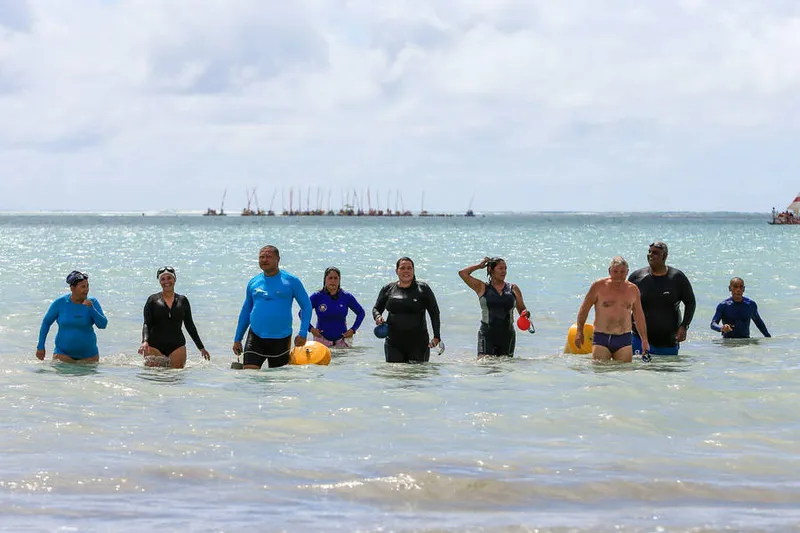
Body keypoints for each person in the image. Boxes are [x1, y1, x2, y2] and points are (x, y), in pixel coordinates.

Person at [232, 245, 312, 369]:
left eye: (268, 257)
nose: (264, 260)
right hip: (256, 336)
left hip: (281, 338)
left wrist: (303, 333)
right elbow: (246, 311)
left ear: (278, 259)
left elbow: (306, 306)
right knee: (250, 377)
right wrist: (238, 339)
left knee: (278, 381)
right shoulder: (253, 282)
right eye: (261, 257)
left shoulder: (291, 281)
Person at [575, 256, 649, 362]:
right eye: (615, 271)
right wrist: (579, 331)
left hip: (624, 338)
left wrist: (644, 340)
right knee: (601, 373)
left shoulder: (633, 290)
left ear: (627, 272)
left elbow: (639, 316)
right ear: (609, 271)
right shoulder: (598, 286)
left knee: (624, 373)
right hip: (601, 337)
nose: (619, 275)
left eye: (622, 272)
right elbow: (584, 309)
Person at [628, 241, 696, 356]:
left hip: (668, 341)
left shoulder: (677, 277)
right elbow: (623, 303)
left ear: (664, 256)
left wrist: (684, 326)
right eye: (649, 252)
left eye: (655, 253)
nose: (650, 255)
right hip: (639, 339)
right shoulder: (637, 277)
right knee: (638, 371)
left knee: (667, 372)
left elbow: (690, 303)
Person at [138, 266, 210, 368]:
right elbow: (146, 324)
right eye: (163, 279)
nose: (166, 281)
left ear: (174, 279)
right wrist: (144, 341)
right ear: (159, 282)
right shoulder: (152, 300)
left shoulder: (183, 300)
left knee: (176, 378)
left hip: (177, 346)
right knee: (154, 379)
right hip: (154, 346)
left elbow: (190, 326)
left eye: (169, 278)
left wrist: (201, 348)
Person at [372, 257, 441, 363]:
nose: (406, 271)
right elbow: (376, 309)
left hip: (419, 343)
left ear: (413, 270)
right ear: (397, 271)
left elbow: (434, 313)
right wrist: (378, 316)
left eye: (409, 268)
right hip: (393, 343)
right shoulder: (388, 289)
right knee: (395, 375)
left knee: (416, 376)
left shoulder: (423, 289)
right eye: (402, 268)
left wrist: (437, 336)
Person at [458, 257, 530, 357]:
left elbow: (522, 309)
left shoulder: (513, 288)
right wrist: (479, 266)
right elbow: (462, 273)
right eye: (500, 268)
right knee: (484, 365)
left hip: (507, 335)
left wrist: (525, 314)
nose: (504, 271)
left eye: (505, 268)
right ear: (490, 270)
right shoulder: (482, 287)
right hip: (487, 335)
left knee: (505, 368)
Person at [36, 270, 108, 363]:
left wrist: (91, 309)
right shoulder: (60, 303)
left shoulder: (92, 302)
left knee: (88, 378)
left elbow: (103, 325)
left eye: (87, 286)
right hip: (63, 355)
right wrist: (41, 346)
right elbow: (46, 323)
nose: (86, 290)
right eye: (83, 287)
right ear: (72, 288)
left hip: (89, 356)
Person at [309, 267, 366, 347]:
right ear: (325, 279)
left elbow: (361, 313)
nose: (333, 281)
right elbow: (302, 312)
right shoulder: (317, 296)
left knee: (343, 360)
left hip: (342, 341)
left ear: (339, 280)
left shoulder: (346, 296)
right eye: (330, 278)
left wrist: (353, 330)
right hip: (321, 340)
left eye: (336, 278)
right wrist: (311, 329)